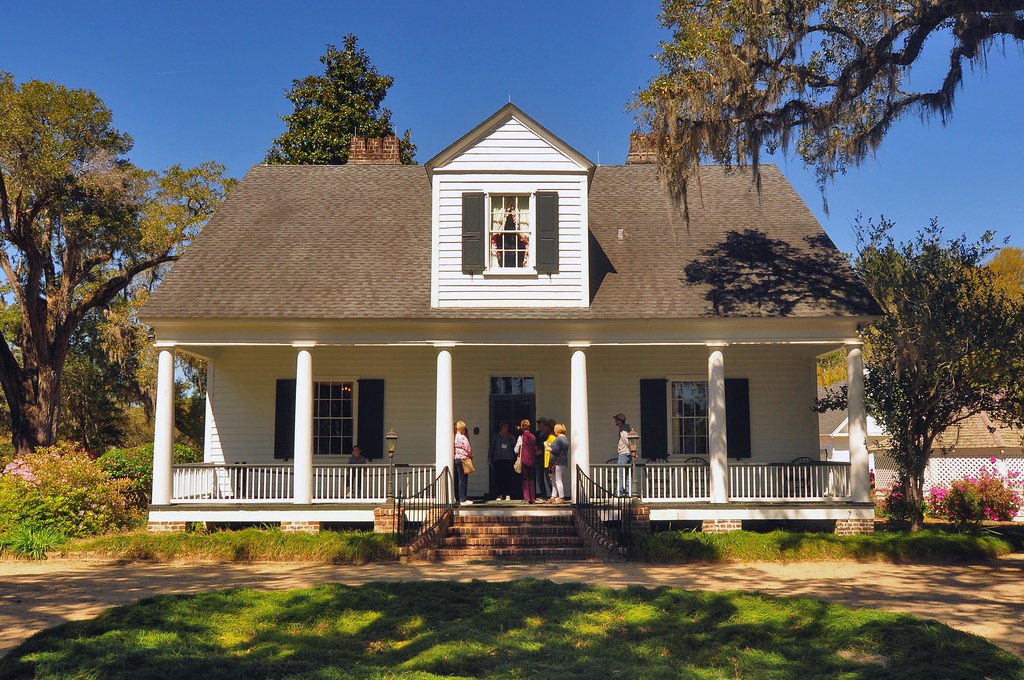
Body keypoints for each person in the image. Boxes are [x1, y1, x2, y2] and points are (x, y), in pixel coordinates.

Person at [489, 421, 517, 501]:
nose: (507, 428)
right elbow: (491, 446)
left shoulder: (510, 436)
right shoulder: (496, 436)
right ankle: (500, 494)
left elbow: (515, 447)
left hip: (508, 459)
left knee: (508, 477)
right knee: (499, 477)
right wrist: (489, 456)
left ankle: (508, 494)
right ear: (502, 427)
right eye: (505, 426)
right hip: (498, 459)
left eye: (507, 427)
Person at [516, 418, 537, 504]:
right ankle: (532, 498)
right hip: (532, 460)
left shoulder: (521, 437)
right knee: (531, 480)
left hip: (524, 460)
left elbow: (516, 450)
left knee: (525, 479)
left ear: (522, 427)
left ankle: (526, 498)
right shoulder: (533, 437)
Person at [535, 418, 555, 502]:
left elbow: (550, 445)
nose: (538, 424)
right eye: (538, 423)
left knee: (548, 478)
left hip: (546, 458)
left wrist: (541, 451)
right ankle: (543, 495)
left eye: (540, 423)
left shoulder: (549, 434)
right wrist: (535, 448)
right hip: (538, 458)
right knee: (539, 477)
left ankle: (553, 495)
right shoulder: (536, 433)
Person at [614, 413, 634, 496]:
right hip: (627, 453)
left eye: (616, 420)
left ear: (620, 420)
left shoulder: (623, 429)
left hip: (624, 453)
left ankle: (620, 492)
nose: (615, 421)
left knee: (621, 473)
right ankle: (629, 491)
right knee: (627, 473)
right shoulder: (626, 427)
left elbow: (626, 440)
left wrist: (632, 450)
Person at [454, 420, 473, 505]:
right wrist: (471, 455)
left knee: (457, 479)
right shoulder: (463, 437)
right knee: (463, 479)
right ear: (462, 429)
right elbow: (467, 448)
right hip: (463, 459)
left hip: (456, 459)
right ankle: (463, 499)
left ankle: (457, 498)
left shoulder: (454, 437)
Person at [549, 423, 569, 503]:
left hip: (557, 462)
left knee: (557, 479)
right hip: (562, 461)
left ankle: (561, 497)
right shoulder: (565, 439)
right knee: (554, 479)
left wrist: (549, 448)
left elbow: (555, 450)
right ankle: (553, 496)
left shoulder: (559, 439)